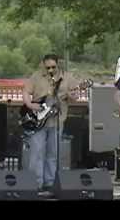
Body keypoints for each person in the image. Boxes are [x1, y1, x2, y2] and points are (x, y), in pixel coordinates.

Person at [22, 54, 79, 192]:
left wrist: (72, 96)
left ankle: (50, 182)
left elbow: (74, 97)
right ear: (43, 65)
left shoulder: (67, 77)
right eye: (47, 67)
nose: (50, 70)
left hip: (57, 120)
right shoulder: (36, 76)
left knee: (53, 154)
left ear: (58, 65)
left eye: (53, 67)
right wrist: (30, 105)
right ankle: (36, 183)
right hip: (38, 120)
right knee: (37, 152)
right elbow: (25, 91)